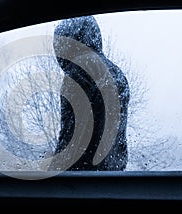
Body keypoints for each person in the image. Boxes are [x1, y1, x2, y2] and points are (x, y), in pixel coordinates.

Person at [51, 15, 130, 171]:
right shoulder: (116, 73)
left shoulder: (79, 72)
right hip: (112, 176)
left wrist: (52, 179)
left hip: (83, 179)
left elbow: (70, 139)